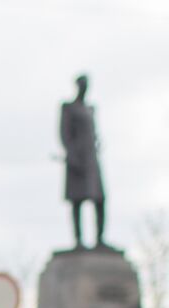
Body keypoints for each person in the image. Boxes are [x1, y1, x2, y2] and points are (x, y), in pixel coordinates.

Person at [59, 75, 106, 249]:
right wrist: (72, 154)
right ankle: (78, 240)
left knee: (100, 199)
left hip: (92, 158)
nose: (85, 87)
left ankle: (100, 239)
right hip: (77, 158)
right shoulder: (68, 108)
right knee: (76, 200)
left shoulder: (91, 108)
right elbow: (64, 133)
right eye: (82, 84)